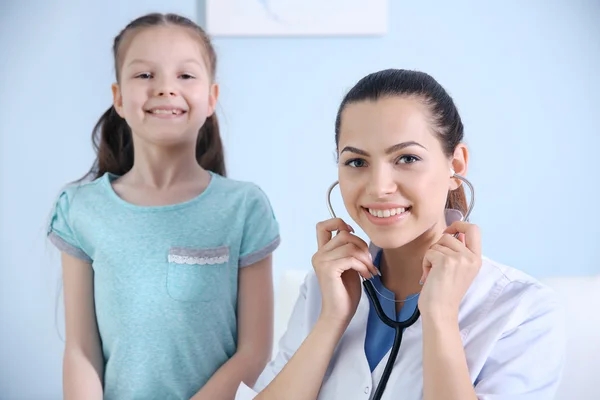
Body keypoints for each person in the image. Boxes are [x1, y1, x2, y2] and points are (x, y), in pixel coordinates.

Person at [235, 69, 565, 400]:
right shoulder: (323, 289)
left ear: (457, 166)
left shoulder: (523, 311)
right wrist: (332, 320)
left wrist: (440, 317)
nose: (379, 187)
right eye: (356, 162)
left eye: (407, 158)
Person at [47, 13, 280, 400]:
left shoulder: (244, 208)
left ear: (211, 99)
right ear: (119, 98)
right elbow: (81, 351)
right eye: (144, 75)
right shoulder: (79, 209)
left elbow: (254, 351)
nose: (165, 89)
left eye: (185, 76)